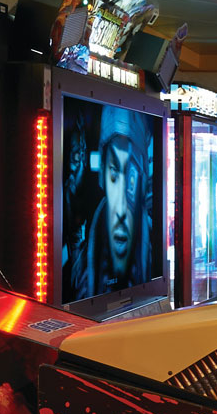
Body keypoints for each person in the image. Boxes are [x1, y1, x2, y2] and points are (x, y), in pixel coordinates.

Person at [66, 106, 157, 299]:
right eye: (114, 174)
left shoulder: (158, 261)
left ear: (142, 184)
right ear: (102, 177)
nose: (121, 210)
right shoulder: (77, 271)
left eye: (131, 179)